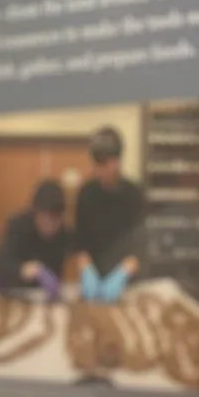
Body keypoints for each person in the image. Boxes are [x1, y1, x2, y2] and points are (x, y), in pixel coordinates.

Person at [73, 127, 146, 303]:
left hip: (125, 285)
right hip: (94, 284)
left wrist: (121, 274)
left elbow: (140, 247)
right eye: (96, 165)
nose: (99, 171)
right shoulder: (86, 193)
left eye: (104, 165)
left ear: (117, 161)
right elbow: (79, 242)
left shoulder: (134, 194)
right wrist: (86, 270)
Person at [0, 177, 70, 294]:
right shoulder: (18, 225)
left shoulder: (63, 233)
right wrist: (23, 269)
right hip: (14, 291)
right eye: (45, 220)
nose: (49, 227)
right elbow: (0, 263)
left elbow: (56, 272)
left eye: (55, 221)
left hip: (43, 295)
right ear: (35, 213)